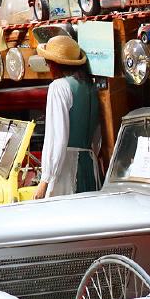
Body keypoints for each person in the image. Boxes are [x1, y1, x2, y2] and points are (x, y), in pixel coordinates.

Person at [33, 35, 100, 199]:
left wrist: (45, 179)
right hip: (89, 166)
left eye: (48, 63)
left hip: (66, 170)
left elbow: (57, 137)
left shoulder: (59, 87)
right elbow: (97, 136)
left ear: (56, 64)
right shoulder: (91, 88)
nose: (48, 67)